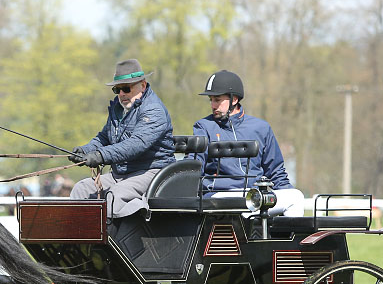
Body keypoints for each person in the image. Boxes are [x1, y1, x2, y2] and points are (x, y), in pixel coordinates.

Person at [69, 59, 176, 217]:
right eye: (117, 90)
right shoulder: (118, 109)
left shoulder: (154, 110)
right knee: (81, 189)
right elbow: (104, 137)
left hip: (151, 172)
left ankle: (114, 237)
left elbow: (135, 145)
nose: (121, 94)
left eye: (126, 88)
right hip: (121, 174)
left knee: (116, 195)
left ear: (143, 85)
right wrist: (85, 150)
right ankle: (77, 238)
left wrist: (100, 155)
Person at [192, 70, 304, 216]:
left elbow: (276, 171)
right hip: (220, 195)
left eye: (217, 99)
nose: (213, 105)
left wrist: (286, 190)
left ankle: (283, 238)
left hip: (255, 195)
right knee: (248, 204)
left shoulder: (261, 128)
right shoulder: (204, 126)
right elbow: (195, 167)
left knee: (296, 197)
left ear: (234, 99)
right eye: (211, 100)